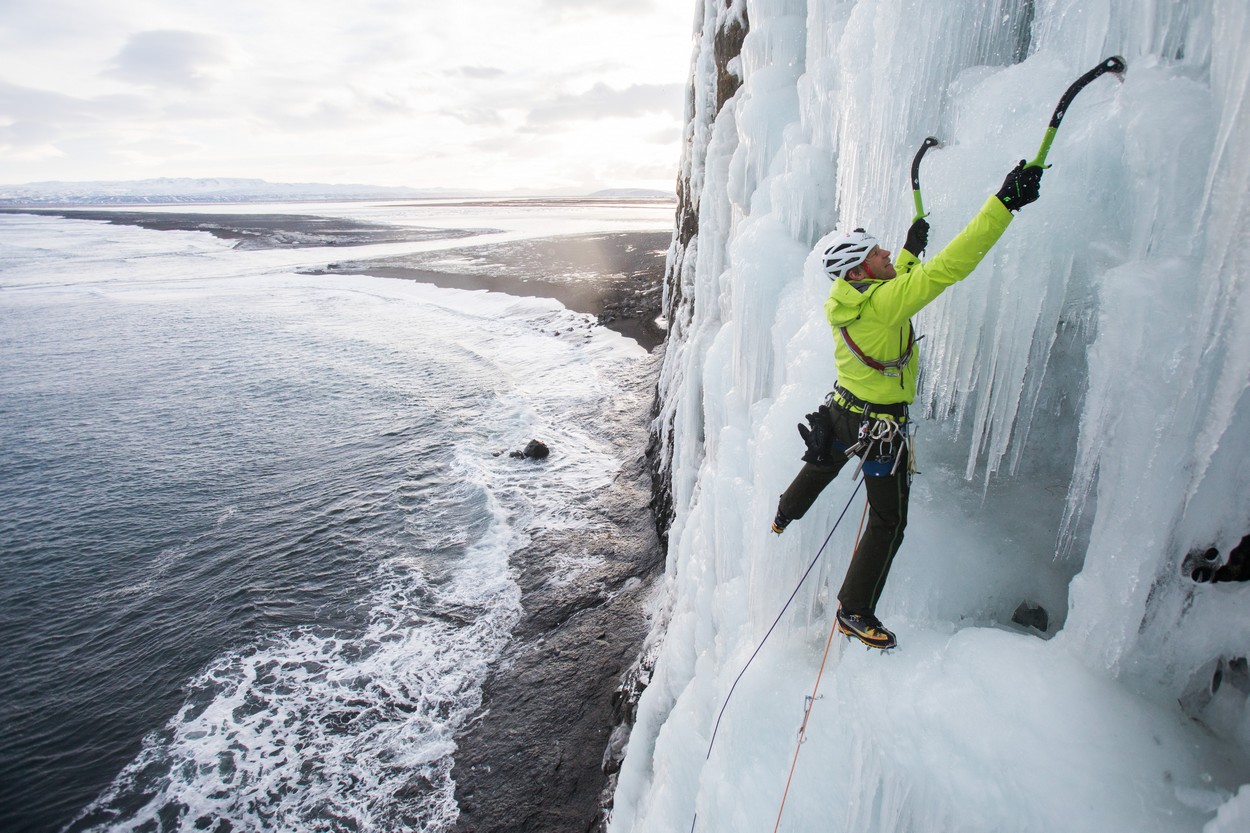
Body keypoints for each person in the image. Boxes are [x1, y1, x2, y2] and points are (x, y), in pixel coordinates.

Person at [771, 160, 1044, 649]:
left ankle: (785, 512)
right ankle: (854, 610)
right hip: (879, 431)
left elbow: (896, 285)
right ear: (859, 269)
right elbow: (948, 268)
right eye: (878, 253)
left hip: (842, 411)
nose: (885, 254)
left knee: (824, 461)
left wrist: (909, 248)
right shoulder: (882, 303)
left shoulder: (849, 298)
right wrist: (1003, 205)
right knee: (887, 520)